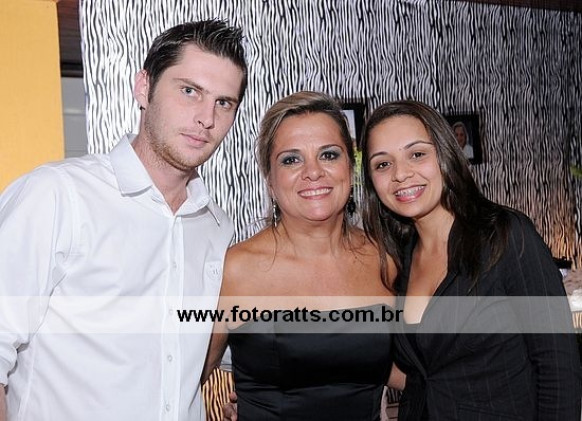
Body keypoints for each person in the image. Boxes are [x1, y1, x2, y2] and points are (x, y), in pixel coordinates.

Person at [0, 19, 247, 421]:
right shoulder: (57, 195)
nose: (207, 117)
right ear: (143, 88)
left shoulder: (217, 226)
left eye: (224, 103)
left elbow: (193, 357)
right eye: (189, 91)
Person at [360, 100, 582, 420]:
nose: (401, 174)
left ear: (445, 154)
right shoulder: (397, 257)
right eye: (382, 164)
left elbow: (558, 369)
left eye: (417, 154)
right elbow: (423, 373)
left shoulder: (505, 235)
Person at [204, 91, 399, 421]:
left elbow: (409, 370)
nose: (313, 172)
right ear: (270, 180)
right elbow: (180, 381)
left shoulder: (386, 258)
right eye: (291, 160)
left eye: (328, 154)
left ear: (350, 167)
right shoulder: (234, 270)